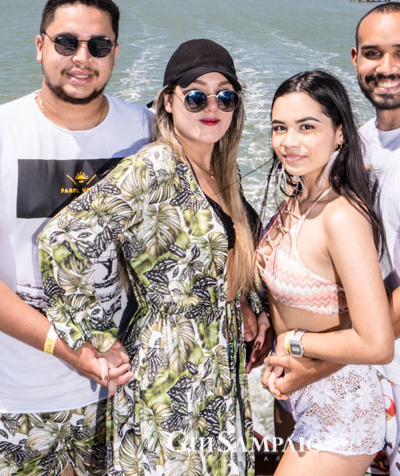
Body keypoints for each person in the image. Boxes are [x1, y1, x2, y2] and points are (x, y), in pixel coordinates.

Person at [0, 0, 152, 476]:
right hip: (14, 394)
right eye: (66, 42)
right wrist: (66, 347)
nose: (81, 58)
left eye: (98, 46)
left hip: (124, 385)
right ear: (39, 46)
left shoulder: (149, 131)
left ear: (115, 53)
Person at [265, 2, 400, 476]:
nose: (386, 68)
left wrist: (313, 361)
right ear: (355, 59)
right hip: (362, 379)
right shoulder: (357, 143)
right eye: (373, 53)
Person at [38, 39, 270, 476]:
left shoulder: (222, 172)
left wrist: (242, 301)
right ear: (168, 100)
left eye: (226, 96)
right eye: (197, 95)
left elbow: (217, 255)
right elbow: (62, 238)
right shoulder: (157, 166)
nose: (212, 106)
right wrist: (97, 338)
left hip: (217, 367)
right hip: (170, 373)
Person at [257, 70, 393, 475]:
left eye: (307, 127)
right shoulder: (297, 198)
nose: (289, 141)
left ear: (339, 134)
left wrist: (293, 340)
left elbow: (377, 343)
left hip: (341, 409)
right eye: (279, 128)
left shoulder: (342, 216)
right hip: (296, 397)